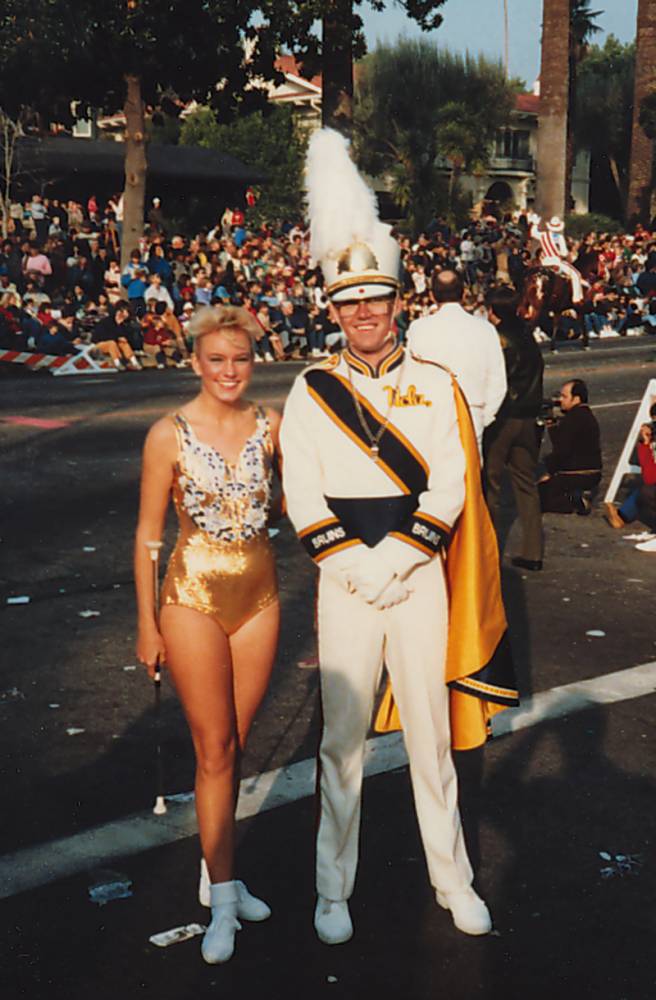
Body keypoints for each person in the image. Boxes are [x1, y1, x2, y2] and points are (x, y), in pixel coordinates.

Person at [281, 128, 517, 948]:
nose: (365, 312)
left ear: (397, 303)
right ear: (335, 310)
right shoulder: (310, 391)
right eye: (350, 303)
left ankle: (453, 880)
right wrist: (355, 565)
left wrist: (403, 557)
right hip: (346, 582)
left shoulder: (435, 383)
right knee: (341, 743)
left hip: (417, 577)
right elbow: (301, 487)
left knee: (429, 739)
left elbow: (452, 480)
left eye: (377, 299)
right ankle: (330, 888)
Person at [135, 305, 282, 964]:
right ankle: (223, 896)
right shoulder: (167, 434)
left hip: (259, 598)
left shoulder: (271, 425)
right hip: (191, 597)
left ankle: (213, 865)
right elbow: (147, 539)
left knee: (235, 745)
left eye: (241, 358)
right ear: (195, 361)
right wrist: (146, 623)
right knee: (215, 750)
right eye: (217, 358)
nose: (229, 370)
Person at [407, 269, 507, 456]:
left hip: (432, 415)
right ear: (463, 293)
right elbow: (498, 380)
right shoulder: (484, 329)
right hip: (472, 412)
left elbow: (411, 375)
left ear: (432, 295)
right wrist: (484, 417)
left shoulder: (418, 328)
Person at [483, 286, 545, 571]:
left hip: (505, 417)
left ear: (492, 311)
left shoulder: (497, 339)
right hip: (529, 417)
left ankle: (489, 552)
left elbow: (495, 379)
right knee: (526, 485)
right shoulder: (527, 334)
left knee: (491, 487)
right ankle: (533, 552)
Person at [539, 379, 602, 514]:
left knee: (538, 497)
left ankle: (574, 500)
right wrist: (552, 424)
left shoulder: (573, 418)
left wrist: (548, 472)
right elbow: (563, 443)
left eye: (564, 396)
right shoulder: (584, 414)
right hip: (591, 472)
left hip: (577, 473)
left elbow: (561, 451)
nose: (560, 400)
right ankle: (577, 495)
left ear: (576, 399)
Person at [529, 213, 584, 303]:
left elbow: (533, 233)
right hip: (556, 262)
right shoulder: (559, 237)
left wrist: (535, 223)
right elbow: (564, 253)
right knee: (576, 275)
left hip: (544, 262)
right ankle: (576, 299)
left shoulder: (543, 235)